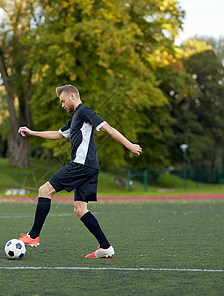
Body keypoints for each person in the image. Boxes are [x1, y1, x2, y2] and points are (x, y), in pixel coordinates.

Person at [17, 84, 142, 258]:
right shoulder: (76, 117)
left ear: (72, 96)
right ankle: (105, 247)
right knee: (80, 208)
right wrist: (32, 133)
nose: (62, 105)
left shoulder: (84, 111)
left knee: (44, 190)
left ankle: (33, 236)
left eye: (63, 101)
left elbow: (108, 128)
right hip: (90, 167)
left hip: (81, 165)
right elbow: (59, 134)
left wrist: (129, 145)